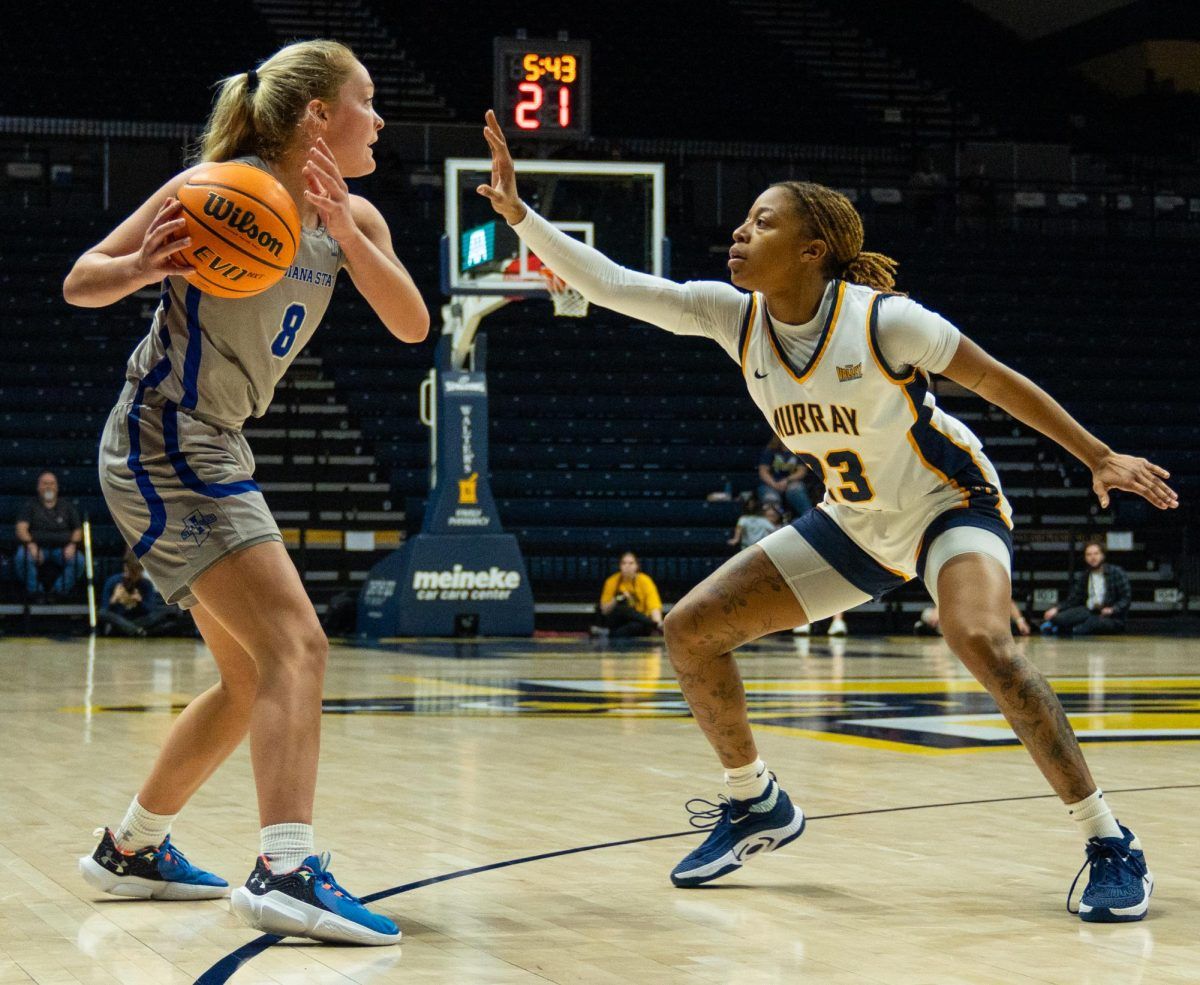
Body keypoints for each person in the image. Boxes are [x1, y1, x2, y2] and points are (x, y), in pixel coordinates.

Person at [477, 109, 1176, 922]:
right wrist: (522, 215)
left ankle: (1108, 838)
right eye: (742, 220)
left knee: (980, 638)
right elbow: (615, 285)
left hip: (951, 503)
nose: (739, 232)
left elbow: (996, 380)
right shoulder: (732, 317)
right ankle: (756, 802)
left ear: (812, 249)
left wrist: (1096, 454)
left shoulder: (885, 320)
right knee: (689, 628)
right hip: (856, 521)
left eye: (762, 221)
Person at [63, 40, 428, 944]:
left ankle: (132, 849)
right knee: (299, 644)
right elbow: (81, 281)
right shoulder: (214, 186)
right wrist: (145, 267)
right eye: (366, 101)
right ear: (317, 115)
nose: (378, 119)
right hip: (164, 433)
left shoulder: (356, 217)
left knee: (248, 677)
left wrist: (345, 234)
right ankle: (287, 868)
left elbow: (413, 323)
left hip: (210, 440)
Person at [13, 471, 85, 599]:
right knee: (21, 558)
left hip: (62, 548)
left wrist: (72, 545)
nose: (48, 486)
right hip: (36, 547)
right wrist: (31, 545)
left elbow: (78, 530)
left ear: (57, 487)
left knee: (78, 560)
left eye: (52, 484)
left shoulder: (67, 506)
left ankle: (58, 592)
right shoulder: (30, 506)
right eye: (45, 483)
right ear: (38, 487)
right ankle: (36, 592)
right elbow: (21, 529)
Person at [1042, 542, 1131, 636]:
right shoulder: (1085, 576)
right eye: (1089, 554)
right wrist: (1056, 609)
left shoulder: (1116, 572)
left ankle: (1069, 631)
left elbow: (1126, 598)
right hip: (1089, 610)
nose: (1093, 557)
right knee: (1059, 618)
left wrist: (1113, 609)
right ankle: (1060, 628)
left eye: (1096, 553)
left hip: (1111, 616)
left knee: (1089, 625)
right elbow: (1074, 599)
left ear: (1103, 556)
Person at [98, 551, 180, 637]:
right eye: (131, 572)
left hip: (138, 619)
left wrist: (139, 601)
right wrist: (114, 599)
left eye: (136, 573)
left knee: (162, 614)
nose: (132, 576)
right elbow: (104, 610)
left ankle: (128, 629)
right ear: (125, 568)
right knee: (102, 613)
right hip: (119, 618)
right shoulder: (113, 581)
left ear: (141, 571)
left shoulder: (146, 584)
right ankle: (136, 630)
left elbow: (150, 609)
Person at [596, 551, 665, 638]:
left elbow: (654, 606)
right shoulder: (611, 581)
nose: (627, 566)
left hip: (640, 621)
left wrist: (658, 620)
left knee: (632, 628)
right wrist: (617, 599)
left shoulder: (645, 581)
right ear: (620, 566)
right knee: (622, 609)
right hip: (618, 620)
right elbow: (605, 610)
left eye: (631, 563)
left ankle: (609, 633)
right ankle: (654, 625)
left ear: (637, 566)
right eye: (624, 563)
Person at [758, 435, 812, 516]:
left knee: (796, 491)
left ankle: (809, 519)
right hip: (770, 484)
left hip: (791, 482)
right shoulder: (770, 451)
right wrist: (774, 484)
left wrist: (787, 480)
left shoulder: (798, 451)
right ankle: (772, 526)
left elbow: (802, 471)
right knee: (771, 498)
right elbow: (763, 471)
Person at [917, 598, 1030, 637]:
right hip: (957, 617)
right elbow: (947, 597)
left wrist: (1020, 621)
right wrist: (938, 611)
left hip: (978, 623)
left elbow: (1007, 601)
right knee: (927, 614)